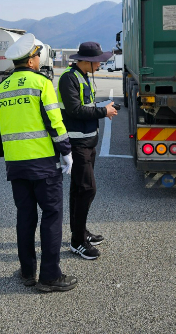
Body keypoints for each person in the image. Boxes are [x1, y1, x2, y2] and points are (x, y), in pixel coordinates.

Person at [0, 34, 77, 292]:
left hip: (16, 165)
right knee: (51, 216)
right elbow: (54, 121)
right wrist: (66, 151)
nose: (39, 59)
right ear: (31, 59)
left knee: (25, 218)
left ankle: (27, 272)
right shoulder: (41, 83)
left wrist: (6, 149)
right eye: (38, 56)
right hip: (43, 164)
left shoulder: (1, 88)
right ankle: (49, 277)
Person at [57, 42, 117, 260]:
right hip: (78, 144)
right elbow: (74, 110)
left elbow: (87, 104)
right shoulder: (68, 78)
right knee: (87, 189)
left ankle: (80, 232)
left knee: (79, 190)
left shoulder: (82, 76)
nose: (100, 65)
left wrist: (105, 107)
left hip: (88, 142)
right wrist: (103, 111)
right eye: (98, 61)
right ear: (85, 61)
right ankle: (77, 242)